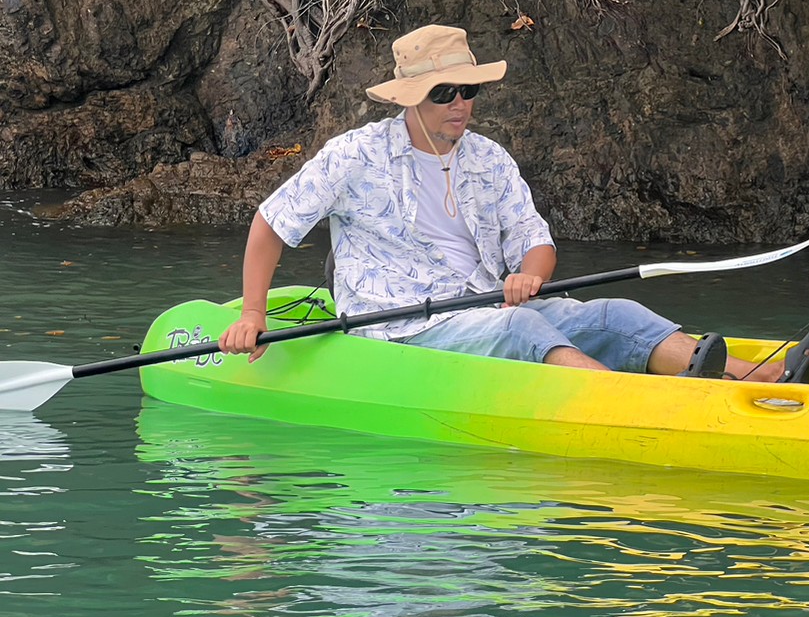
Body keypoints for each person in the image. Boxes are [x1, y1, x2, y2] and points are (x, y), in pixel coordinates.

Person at [220, 23, 780, 381]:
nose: (460, 104)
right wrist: (252, 314)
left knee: (617, 314)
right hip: (400, 326)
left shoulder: (489, 158)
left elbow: (535, 240)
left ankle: (763, 378)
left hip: (487, 307)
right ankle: (630, 401)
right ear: (412, 98)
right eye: (445, 93)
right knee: (522, 331)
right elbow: (271, 222)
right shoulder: (354, 155)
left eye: (469, 91)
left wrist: (530, 276)